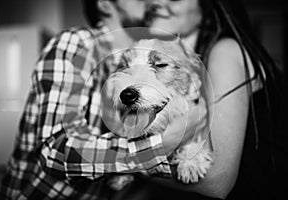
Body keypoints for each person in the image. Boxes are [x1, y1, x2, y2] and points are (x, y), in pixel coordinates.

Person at [0, 0, 205, 199]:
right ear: (105, 3)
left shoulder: (143, 58)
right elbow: (54, 153)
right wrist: (162, 144)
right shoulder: (78, 43)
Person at [117, 0, 283, 199]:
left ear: (206, 6)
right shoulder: (180, 59)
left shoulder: (225, 51)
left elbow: (217, 181)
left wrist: (121, 163)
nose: (158, 2)